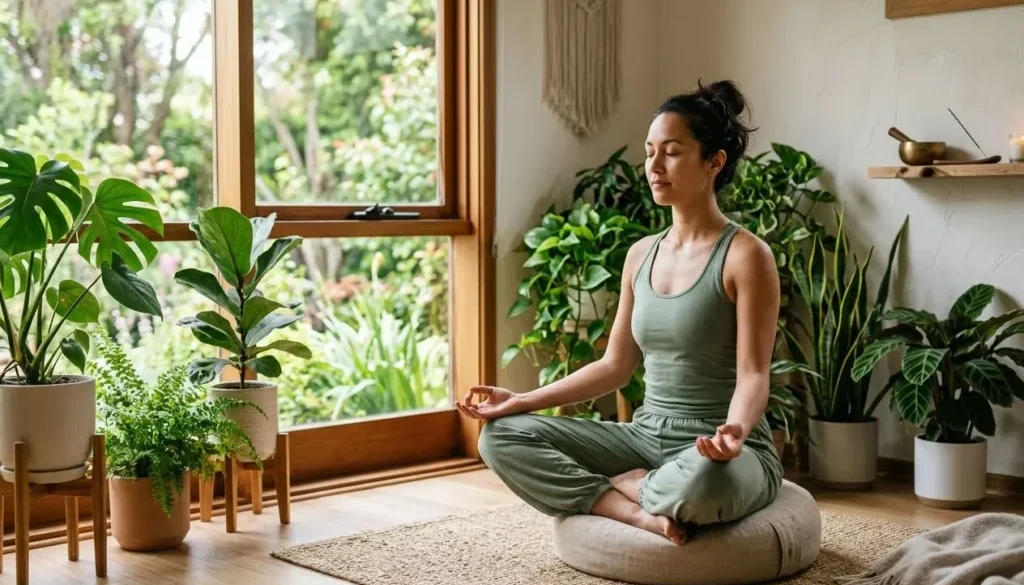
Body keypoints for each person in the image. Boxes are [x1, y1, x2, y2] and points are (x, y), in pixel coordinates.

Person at [456, 80, 783, 546]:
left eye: (671, 152)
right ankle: (627, 505)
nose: (653, 166)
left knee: (705, 483)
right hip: (646, 435)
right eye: (650, 151)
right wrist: (521, 400)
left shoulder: (746, 256)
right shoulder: (640, 255)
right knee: (500, 437)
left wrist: (734, 432)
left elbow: (754, 374)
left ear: (714, 162)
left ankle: (637, 484)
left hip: (723, 447)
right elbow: (615, 366)